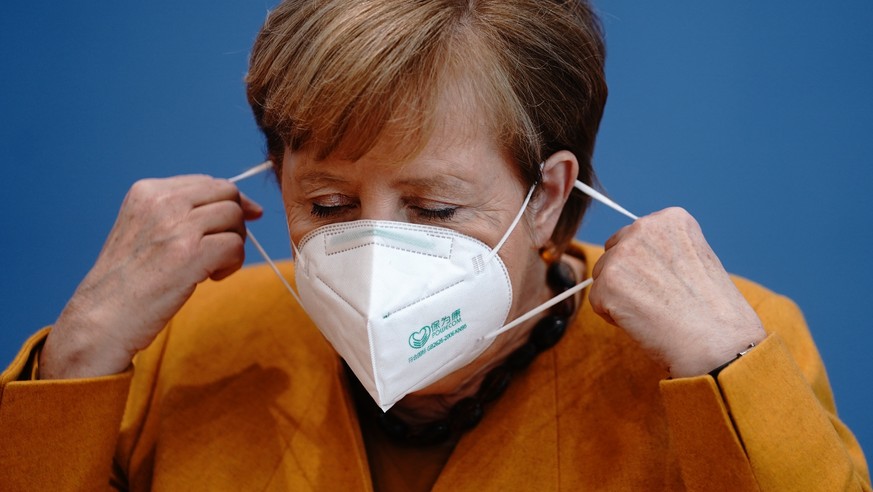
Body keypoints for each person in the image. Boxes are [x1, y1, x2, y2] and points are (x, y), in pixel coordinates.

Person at [1, 0, 869, 490]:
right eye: (330, 204)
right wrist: (78, 356)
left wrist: (729, 371)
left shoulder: (718, 354)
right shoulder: (186, 347)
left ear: (548, 196)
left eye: (435, 208)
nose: (377, 254)